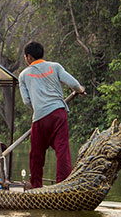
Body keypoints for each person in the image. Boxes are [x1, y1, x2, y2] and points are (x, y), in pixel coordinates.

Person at [19, 41, 85, 188]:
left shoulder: (23, 75)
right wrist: (80, 90)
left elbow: (26, 101)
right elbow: (74, 84)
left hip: (40, 117)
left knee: (36, 154)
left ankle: (36, 186)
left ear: (29, 57)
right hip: (58, 113)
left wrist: (38, 107)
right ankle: (64, 184)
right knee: (62, 150)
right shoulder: (55, 67)